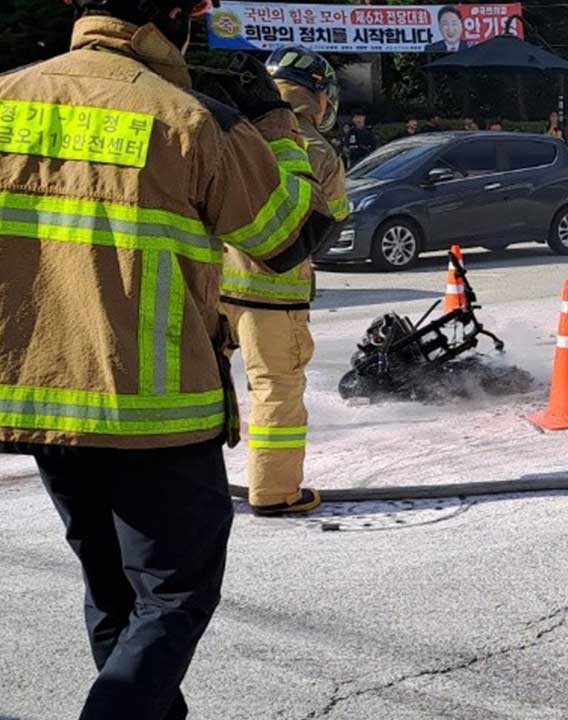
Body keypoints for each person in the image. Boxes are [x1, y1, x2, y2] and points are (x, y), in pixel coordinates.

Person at [0, 0, 334, 715]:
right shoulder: (191, 119)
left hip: (41, 403)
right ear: (175, 19)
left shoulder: (7, 96)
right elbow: (287, 238)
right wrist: (275, 128)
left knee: (112, 589)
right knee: (175, 593)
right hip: (156, 409)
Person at [221, 45, 350, 517]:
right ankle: (275, 492)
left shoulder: (232, 129)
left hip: (212, 284)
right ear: (318, 96)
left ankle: (194, 485)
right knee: (276, 390)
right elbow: (326, 228)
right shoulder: (316, 149)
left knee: (202, 384)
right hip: (274, 295)